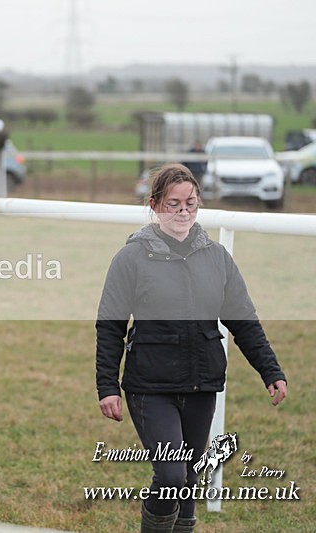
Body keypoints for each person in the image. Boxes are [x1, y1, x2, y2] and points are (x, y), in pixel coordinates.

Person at [95, 163, 287, 532]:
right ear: (155, 205)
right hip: (150, 387)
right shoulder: (130, 259)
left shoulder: (217, 257)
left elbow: (244, 320)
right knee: (171, 476)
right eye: (173, 204)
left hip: (202, 385)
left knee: (188, 478)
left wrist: (270, 370)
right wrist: (107, 386)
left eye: (191, 203)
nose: (183, 212)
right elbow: (110, 326)